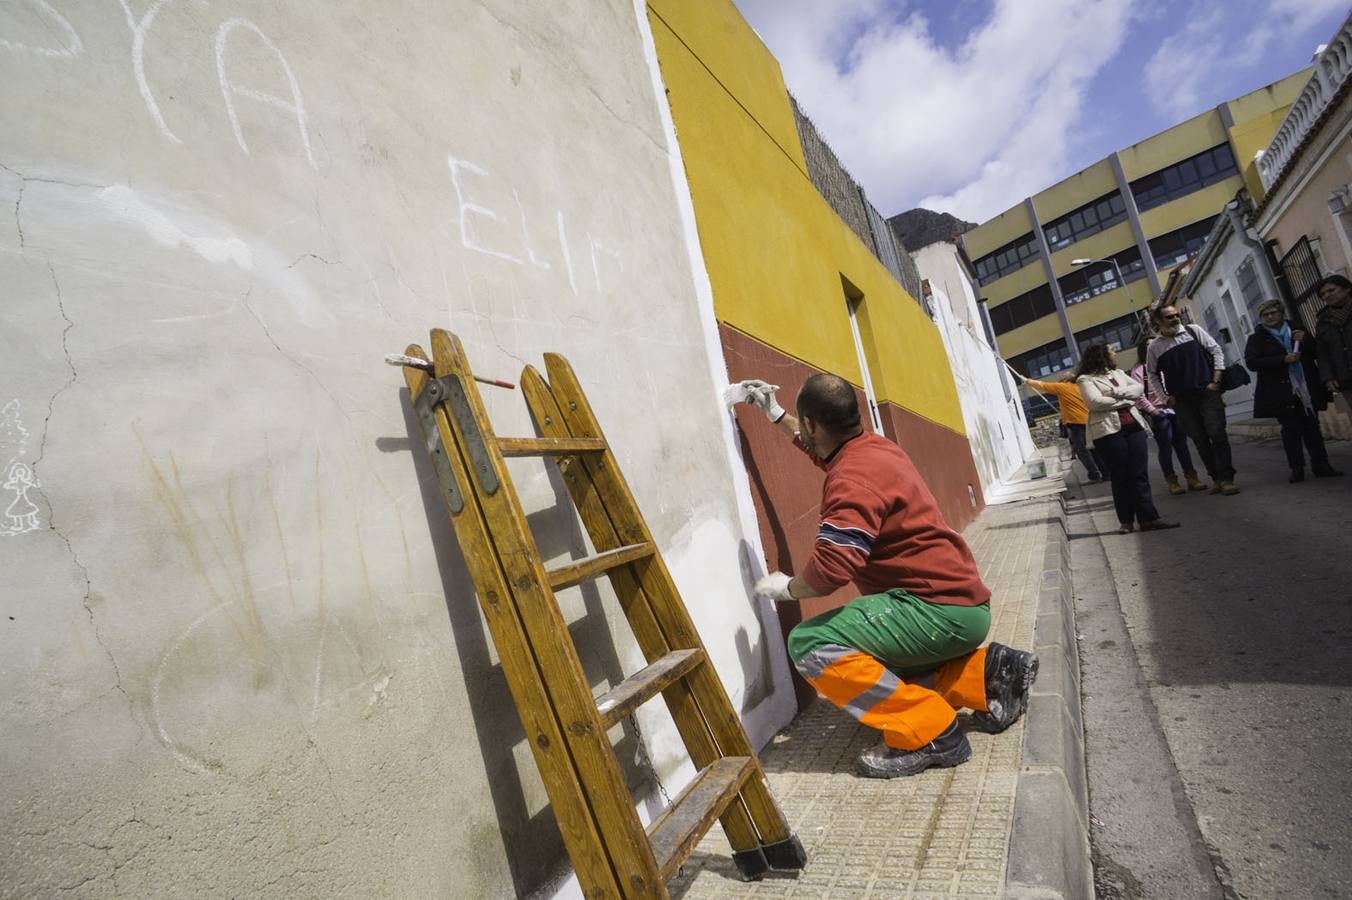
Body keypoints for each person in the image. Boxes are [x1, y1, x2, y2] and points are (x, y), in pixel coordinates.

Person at [733, 374, 1037, 779]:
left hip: (936, 611)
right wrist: (776, 415)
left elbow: (829, 572)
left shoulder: (851, 481)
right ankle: (989, 674)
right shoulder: (874, 449)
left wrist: (786, 587)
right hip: (960, 605)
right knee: (878, 663)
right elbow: (823, 452)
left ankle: (928, 732)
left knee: (811, 642)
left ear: (812, 424)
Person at [1076, 343, 1181, 535]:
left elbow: (1139, 388)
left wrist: (1115, 394)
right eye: (1111, 351)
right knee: (1120, 477)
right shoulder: (1085, 379)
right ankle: (1126, 521)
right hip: (1109, 432)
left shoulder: (1118, 374)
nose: (1115, 353)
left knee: (1139, 474)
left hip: (1134, 427)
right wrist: (1126, 399)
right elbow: (1095, 402)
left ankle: (1149, 518)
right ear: (1102, 355)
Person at [1245, 299, 1343, 483]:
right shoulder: (1257, 338)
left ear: (1281, 313)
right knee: (1290, 430)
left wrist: (1304, 340)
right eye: (1265, 315)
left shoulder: (1297, 330)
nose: (1270, 317)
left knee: (1312, 427)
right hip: (1280, 391)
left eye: (1273, 312)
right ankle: (1297, 468)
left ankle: (1321, 465)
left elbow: (1316, 351)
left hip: (1305, 386)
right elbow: (1252, 362)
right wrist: (1282, 359)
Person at [1145, 305, 1239, 495]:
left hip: (1207, 392)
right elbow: (1152, 374)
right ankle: (1216, 478)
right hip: (1182, 401)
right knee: (1200, 439)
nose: (1175, 318)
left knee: (1217, 433)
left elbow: (1216, 351)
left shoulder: (1193, 331)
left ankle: (1227, 478)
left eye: (1177, 315)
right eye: (1169, 317)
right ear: (1159, 321)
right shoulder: (1155, 347)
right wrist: (1165, 398)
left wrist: (1215, 381)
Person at [1128, 332, 1205, 495]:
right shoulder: (1139, 370)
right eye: (1148, 346)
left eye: (1153, 345)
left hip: (1176, 409)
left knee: (1182, 445)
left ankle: (1192, 477)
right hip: (1159, 413)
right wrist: (1153, 411)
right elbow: (1138, 395)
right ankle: (1172, 481)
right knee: (1165, 448)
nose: (1151, 349)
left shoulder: (1164, 362)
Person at [1017, 371, 1104, 481]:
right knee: (1093, 449)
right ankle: (1105, 473)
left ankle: (1094, 474)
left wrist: (1027, 381)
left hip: (1076, 423)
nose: (1059, 378)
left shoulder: (1063, 387)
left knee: (1082, 451)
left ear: (1065, 379)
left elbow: (1043, 385)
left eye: (1061, 377)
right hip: (1088, 420)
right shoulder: (1078, 386)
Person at [1315, 274, 1352, 402]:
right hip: (1346, 378)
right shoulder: (1323, 321)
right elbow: (1322, 352)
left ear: (1347, 289)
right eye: (1323, 294)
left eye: (1331, 290)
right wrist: (1328, 377)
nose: (1327, 295)